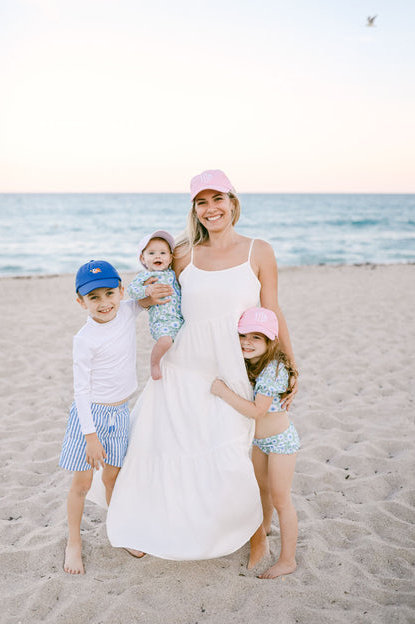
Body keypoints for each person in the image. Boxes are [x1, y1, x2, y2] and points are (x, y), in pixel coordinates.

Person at [97, 169, 297, 567]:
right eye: (201, 202)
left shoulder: (259, 250)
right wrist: (150, 298)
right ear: (195, 209)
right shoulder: (184, 252)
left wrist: (290, 365)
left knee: (235, 451)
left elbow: (271, 311)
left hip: (232, 367)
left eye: (217, 199)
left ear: (232, 202)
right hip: (184, 365)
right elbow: (158, 297)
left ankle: (256, 536)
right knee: (169, 446)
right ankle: (157, 524)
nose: (211, 209)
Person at [59, 259, 167, 574]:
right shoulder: (84, 340)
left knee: (113, 478)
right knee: (81, 483)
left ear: (120, 291)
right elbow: (80, 392)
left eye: (109, 293)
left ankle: (121, 531)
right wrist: (90, 437)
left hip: (120, 413)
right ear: (81, 302)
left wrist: (156, 291)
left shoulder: (126, 310)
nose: (104, 303)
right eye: (94, 297)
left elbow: (145, 301)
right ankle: (74, 542)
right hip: (89, 418)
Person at [211, 307, 299, 578]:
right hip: (260, 442)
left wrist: (222, 392)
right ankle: (266, 527)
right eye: (243, 336)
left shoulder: (273, 369)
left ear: (270, 341)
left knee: (282, 499)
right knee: (262, 489)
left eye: (256, 338)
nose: (247, 342)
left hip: (280, 442)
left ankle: (288, 560)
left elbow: (257, 411)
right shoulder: (251, 361)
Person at [127, 230, 184, 380]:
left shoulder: (173, 274)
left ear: (170, 258)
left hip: (179, 320)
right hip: (161, 321)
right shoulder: (146, 276)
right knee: (165, 341)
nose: (157, 256)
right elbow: (132, 290)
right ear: (143, 259)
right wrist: (146, 289)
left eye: (163, 253)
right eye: (151, 253)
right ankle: (154, 363)